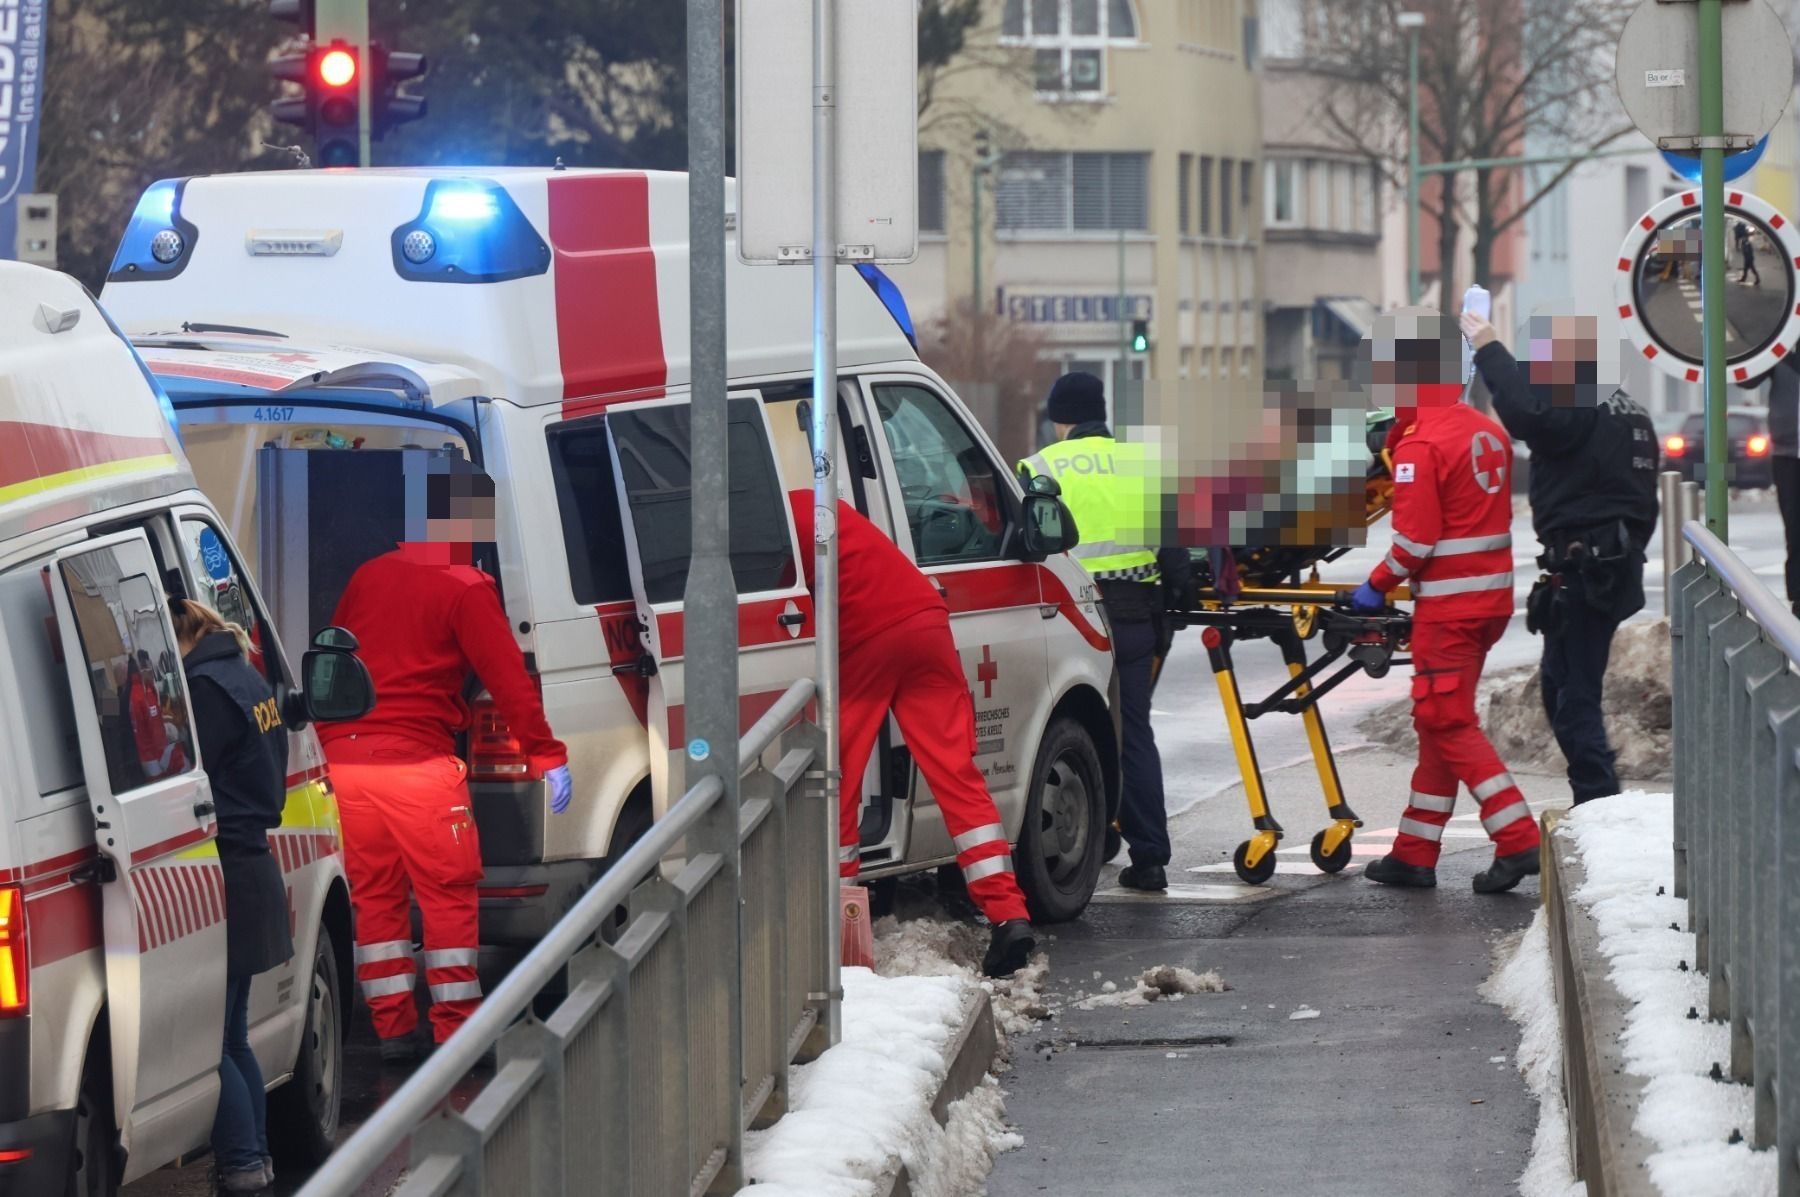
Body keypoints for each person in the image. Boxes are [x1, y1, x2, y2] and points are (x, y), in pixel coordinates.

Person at [322, 464, 572, 1060]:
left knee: (375, 896)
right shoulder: (464, 585)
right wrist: (546, 753)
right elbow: (508, 680)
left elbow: (334, 658)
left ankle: (392, 1030)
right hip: (417, 768)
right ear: (473, 523)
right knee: (448, 895)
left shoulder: (368, 575)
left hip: (345, 767)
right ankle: (456, 1033)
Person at [787, 490, 1036, 978]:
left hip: (865, 638)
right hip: (924, 620)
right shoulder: (818, 500)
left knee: (837, 779)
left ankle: (841, 934)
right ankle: (1009, 915)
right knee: (956, 774)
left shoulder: (769, 520)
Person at [1347, 308, 1542, 893]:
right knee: (1438, 721)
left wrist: (1374, 585)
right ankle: (1414, 852)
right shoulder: (1486, 430)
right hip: (1489, 602)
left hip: (1450, 609)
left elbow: (1414, 541)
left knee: (1444, 718)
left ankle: (1518, 839)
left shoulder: (1420, 446)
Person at [1462, 309, 1658, 806]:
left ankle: (1598, 803)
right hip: (1609, 563)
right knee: (1560, 685)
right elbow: (1642, 499)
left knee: (1573, 695)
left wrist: (1488, 347)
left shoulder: (1578, 403)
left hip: (1587, 566)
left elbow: (1529, 418)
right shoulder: (1627, 409)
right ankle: (1596, 798)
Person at [1017, 372, 1193, 892]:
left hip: (1072, 618)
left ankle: (1087, 839)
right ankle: (1151, 856)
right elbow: (1174, 548)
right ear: (1101, 412)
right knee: (1134, 731)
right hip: (1137, 616)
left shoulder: (1040, 467)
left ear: (1058, 417)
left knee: (1070, 730)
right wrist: (1179, 600)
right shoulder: (1141, 463)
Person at [172, 599, 293, 1194]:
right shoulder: (245, 676)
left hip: (227, 872)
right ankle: (256, 1161)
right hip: (252, 865)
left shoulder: (205, 690)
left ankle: (243, 1165)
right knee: (231, 1035)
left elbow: (187, 777)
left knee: (211, 1042)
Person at [1760, 356, 1800, 616]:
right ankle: (1798, 597)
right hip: (1788, 452)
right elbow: (1748, 378)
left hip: (1786, 448)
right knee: (1795, 528)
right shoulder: (1781, 345)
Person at [1737, 221, 1762, 286]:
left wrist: (1746, 254)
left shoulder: (1746, 240)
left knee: (1752, 268)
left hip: (1749, 257)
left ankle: (1757, 279)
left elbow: (1747, 249)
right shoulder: (1746, 240)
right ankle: (1744, 278)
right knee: (1746, 268)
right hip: (1748, 257)